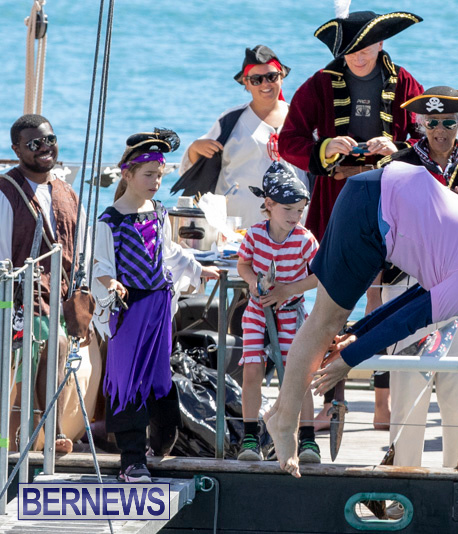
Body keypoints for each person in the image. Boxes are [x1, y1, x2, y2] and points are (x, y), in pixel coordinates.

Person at [264, 161, 458, 478]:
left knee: (328, 323)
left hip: (375, 193)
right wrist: (348, 360)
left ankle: (280, 413)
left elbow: (414, 299)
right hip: (373, 208)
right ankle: (285, 424)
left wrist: (357, 335)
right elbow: (410, 320)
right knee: (324, 323)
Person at [279, 9, 424, 430]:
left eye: (365, 47)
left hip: (389, 202)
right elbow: (289, 141)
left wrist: (395, 147)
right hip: (337, 202)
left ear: (381, 42)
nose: (358, 56)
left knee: (383, 304)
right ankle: (331, 403)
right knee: (331, 308)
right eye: (351, 49)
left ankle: (382, 404)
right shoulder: (320, 83)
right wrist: (326, 148)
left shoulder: (405, 83)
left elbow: (425, 139)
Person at [376, 87, 458, 467]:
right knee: (408, 387)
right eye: (432, 122)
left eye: (448, 122)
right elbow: (378, 231)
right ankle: (404, 475)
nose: (440, 130)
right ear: (420, 123)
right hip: (408, 286)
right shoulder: (396, 167)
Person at [92, 129, 219, 482]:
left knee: (159, 375)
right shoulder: (110, 220)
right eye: (148, 175)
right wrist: (111, 282)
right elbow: (99, 264)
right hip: (128, 309)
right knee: (127, 379)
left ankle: (162, 442)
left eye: (159, 175)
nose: (155, 182)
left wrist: (198, 268)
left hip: (159, 305)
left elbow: (169, 251)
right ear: (127, 174)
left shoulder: (159, 212)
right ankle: (132, 460)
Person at [0, 114, 84, 454]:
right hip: (17, 301)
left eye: (50, 140)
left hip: (59, 301)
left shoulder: (67, 192)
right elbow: (3, 262)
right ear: (17, 149)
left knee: (58, 341)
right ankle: (42, 432)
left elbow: (78, 252)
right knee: (50, 342)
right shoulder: (5, 192)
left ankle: (44, 432)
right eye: (34, 143)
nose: (45, 148)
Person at [235, 162, 319, 462]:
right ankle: (250, 437)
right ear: (269, 205)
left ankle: (307, 439)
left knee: (297, 376)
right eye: (289, 209)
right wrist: (253, 282)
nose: (295, 216)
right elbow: (243, 264)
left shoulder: (305, 239)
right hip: (258, 312)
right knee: (252, 371)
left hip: (290, 314)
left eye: (300, 210)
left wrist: (288, 290)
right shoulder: (255, 235)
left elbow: (321, 275)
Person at [179, 45, 303, 229]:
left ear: (282, 76)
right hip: (239, 227)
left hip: (295, 226)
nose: (265, 84)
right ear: (246, 83)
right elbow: (195, 166)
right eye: (256, 79)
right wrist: (195, 147)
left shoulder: (301, 118)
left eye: (271, 77)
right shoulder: (230, 120)